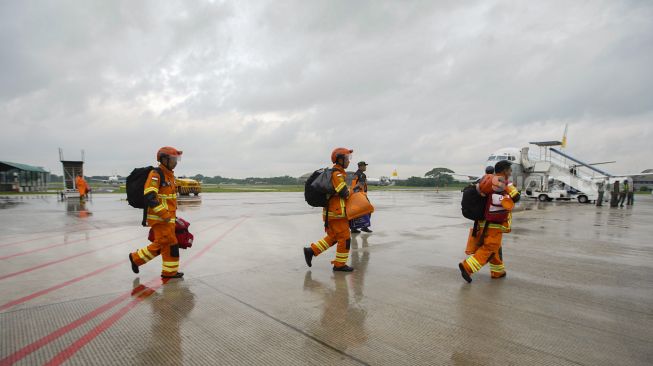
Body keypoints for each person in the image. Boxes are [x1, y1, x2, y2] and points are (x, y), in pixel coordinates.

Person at [129, 146, 184, 279]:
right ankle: (167, 272)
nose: (175, 162)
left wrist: (171, 216)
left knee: (166, 244)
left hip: (168, 219)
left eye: (177, 159)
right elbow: (150, 196)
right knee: (169, 244)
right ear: (164, 159)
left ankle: (138, 259)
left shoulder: (170, 176)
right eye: (173, 159)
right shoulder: (156, 174)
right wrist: (164, 215)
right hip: (160, 219)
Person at [459, 160, 516, 283]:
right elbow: (515, 197)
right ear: (505, 170)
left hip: (484, 222)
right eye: (510, 170)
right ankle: (467, 267)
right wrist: (511, 187)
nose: (511, 173)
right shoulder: (501, 183)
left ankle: (498, 272)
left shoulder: (487, 182)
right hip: (494, 224)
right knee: (489, 248)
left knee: (494, 249)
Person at [304, 148, 355, 272]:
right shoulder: (337, 174)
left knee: (333, 237)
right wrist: (352, 191)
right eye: (347, 158)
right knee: (345, 238)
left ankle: (311, 251)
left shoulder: (337, 173)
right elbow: (344, 193)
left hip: (332, 213)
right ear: (340, 159)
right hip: (337, 214)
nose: (349, 161)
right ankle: (339, 265)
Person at [350, 161, 372, 234]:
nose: (365, 167)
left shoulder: (355, 174)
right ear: (360, 166)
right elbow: (360, 185)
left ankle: (353, 228)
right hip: (361, 195)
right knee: (369, 209)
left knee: (355, 212)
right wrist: (361, 195)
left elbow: (354, 185)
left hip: (354, 195)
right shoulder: (362, 175)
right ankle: (364, 227)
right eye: (364, 166)